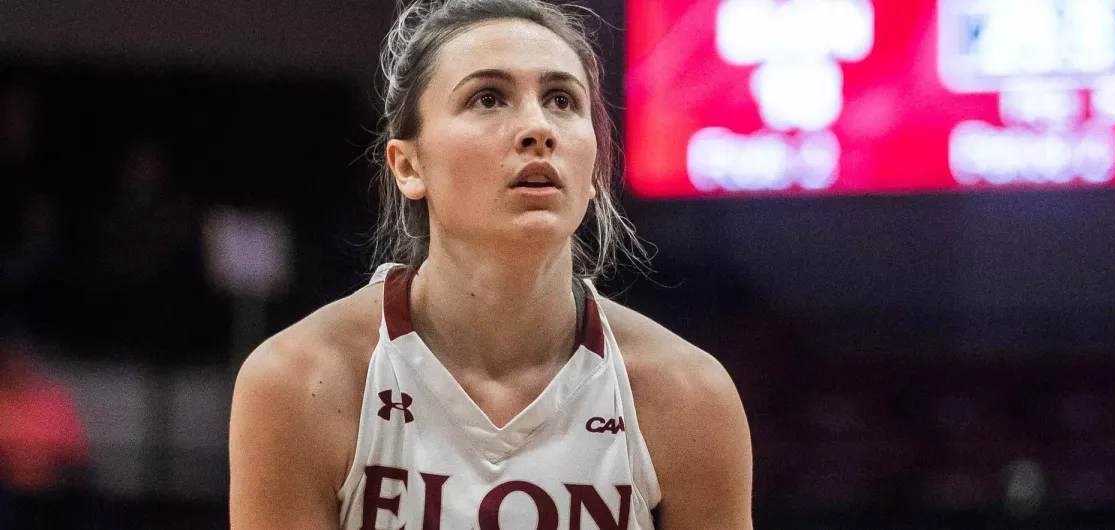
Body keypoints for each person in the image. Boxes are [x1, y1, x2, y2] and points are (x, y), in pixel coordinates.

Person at [228, 1, 753, 528]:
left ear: (594, 168)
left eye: (562, 100)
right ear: (409, 166)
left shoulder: (689, 397)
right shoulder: (301, 383)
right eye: (488, 98)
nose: (537, 128)